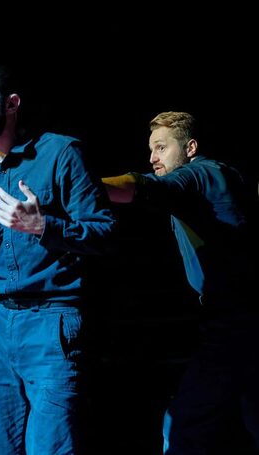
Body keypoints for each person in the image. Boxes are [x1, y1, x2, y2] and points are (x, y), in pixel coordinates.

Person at [0, 63, 115, 454]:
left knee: (50, 446)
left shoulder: (61, 153)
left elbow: (107, 233)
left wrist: (43, 226)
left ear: (11, 103)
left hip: (53, 320)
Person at [102, 111, 259, 453]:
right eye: (150, 149)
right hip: (237, 322)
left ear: (190, 147)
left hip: (236, 325)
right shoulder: (222, 176)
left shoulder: (200, 175)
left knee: (183, 427)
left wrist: (83, 188)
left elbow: (146, 187)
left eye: (160, 147)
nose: (152, 157)